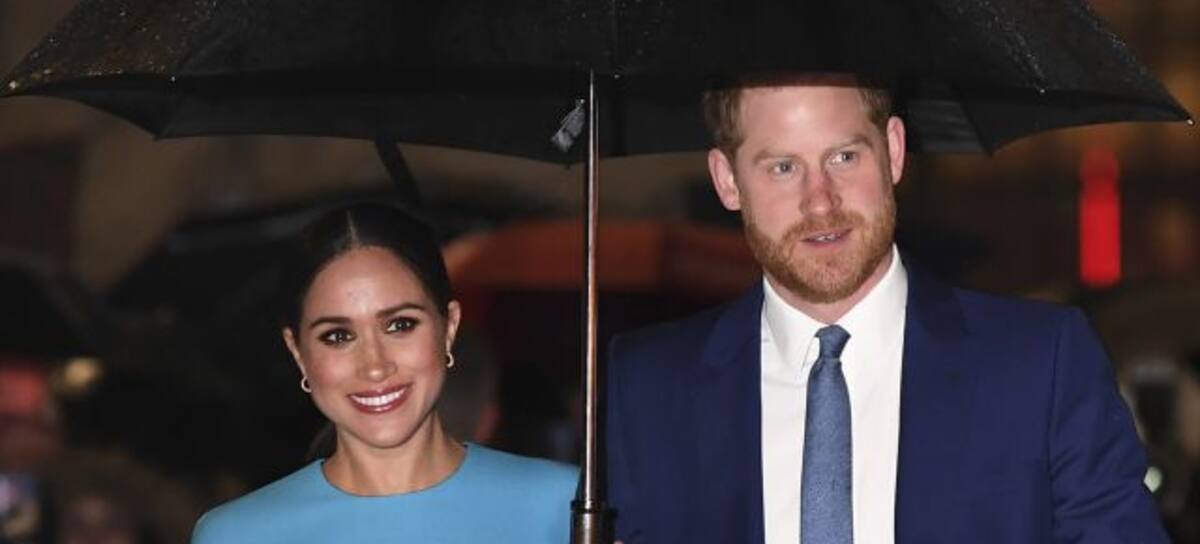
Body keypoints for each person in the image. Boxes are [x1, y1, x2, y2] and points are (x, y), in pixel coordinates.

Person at [605, 75, 1168, 543]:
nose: (820, 201)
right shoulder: (649, 388)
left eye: (844, 157)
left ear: (894, 150)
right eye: (783, 168)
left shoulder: (1042, 364)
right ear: (728, 181)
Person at [192, 204, 576, 543]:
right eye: (338, 336)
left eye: (400, 325)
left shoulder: (563, 505)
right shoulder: (237, 535)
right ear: (297, 351)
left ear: (449, 327)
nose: (375, 366)